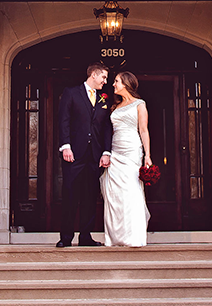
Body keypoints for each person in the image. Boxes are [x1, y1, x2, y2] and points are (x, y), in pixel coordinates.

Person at [56, 63, 112, 247]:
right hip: (74, 154)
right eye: (103, 77)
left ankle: (86, 237)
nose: (105, 81)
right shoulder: (71, 93)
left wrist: (106, 152)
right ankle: (65, 238)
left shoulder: (103, 98)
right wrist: (66, 146)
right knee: (70, 195)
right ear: (93, 75)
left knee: (90, 196)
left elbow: (105, 127)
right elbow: (63, 120)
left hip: (95, 157)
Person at [101, 71, 152, 247]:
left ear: (126, 83)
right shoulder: (114, 107)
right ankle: (115, 237)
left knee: (131, 192)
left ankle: (134, 236)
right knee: (114, 195)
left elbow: (143, 130)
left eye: (116, 81)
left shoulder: (140, 104)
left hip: (132, 151)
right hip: (115, 152)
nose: (113, 84)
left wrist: (148, 155)